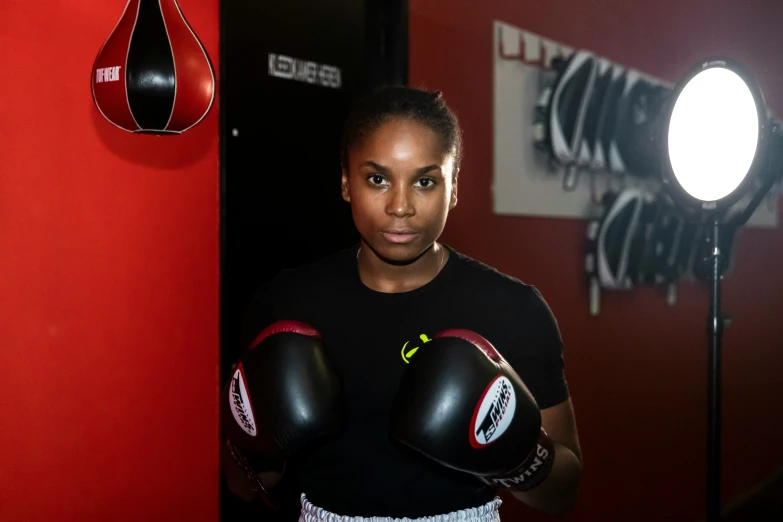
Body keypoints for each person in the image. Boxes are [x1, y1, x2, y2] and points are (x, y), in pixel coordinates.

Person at [220, 85, 583, 521]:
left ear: (453, 188)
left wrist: (519, 456)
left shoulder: (512, 309)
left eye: (425, 181)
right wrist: (259, 450)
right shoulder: (284, 302)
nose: (400, 206)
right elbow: (241, 486)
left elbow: (563, 492)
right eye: (377, 178)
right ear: (345, 182)